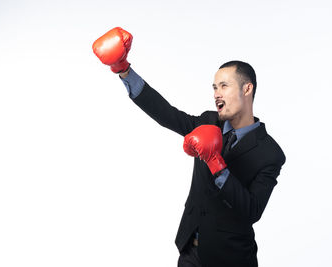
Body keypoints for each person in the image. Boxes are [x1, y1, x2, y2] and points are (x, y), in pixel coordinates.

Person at [92, 27, 286, 267]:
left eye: (224, 86)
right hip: (190, 254)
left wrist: (216, 163)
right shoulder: (207, 121)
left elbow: (252, 211)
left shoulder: (270, 153)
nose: (216, 94)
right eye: (214, 87)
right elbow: (166, 114)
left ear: (247, 89)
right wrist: (123, 70)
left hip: (232, 259)